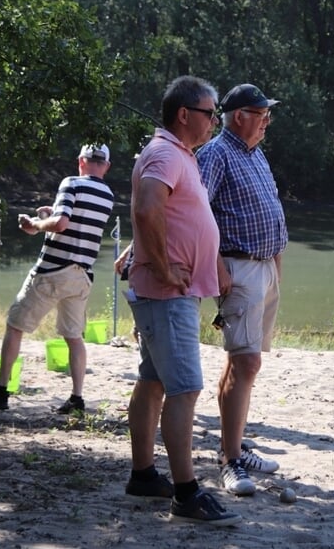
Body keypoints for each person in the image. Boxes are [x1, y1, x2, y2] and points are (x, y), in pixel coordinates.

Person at [123, 76, 240, 526]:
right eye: (211, 113)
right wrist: (165, 266)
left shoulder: (179, 155)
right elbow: (146, 209)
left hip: (170, 293)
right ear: (185, 114)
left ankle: (143, 476)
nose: (215, 120)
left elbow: (176, 215)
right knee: (185, 388)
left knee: (153, 382)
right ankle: (186, 494)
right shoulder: (164, 153)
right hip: (167, 293)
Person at [0, 144, 114, 414]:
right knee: (73, 336)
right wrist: (53, 211)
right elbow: (76, 222)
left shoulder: (71, 182)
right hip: (82, 274)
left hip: (52, 271)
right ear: (105, 165)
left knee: (15, 325)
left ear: (80, 161)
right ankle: (77, 397)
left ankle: (0, 390)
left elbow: (61, 225)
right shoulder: (107, 194)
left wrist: (35, 225)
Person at [196, 83, 288, 496]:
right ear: (239, 117)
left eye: (269, 114)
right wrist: (216, 266)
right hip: (238, 267)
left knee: (243, 363)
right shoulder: (215, 154)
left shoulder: (255, 154)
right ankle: (230, 460)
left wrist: (277, 268)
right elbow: (196, 214)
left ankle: (234, 445)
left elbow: (271, 209)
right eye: (261, 113)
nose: (267, 121)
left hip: (265, 268)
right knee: (247, 362)